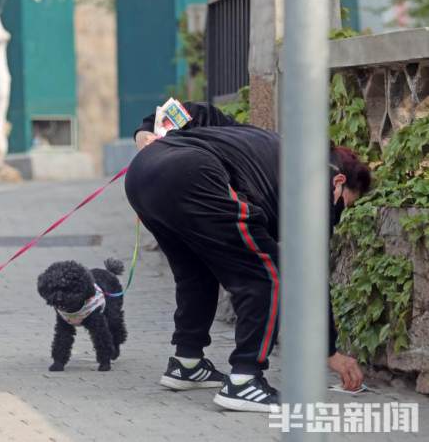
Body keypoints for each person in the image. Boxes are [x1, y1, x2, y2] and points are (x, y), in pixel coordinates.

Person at [124, 102, 370, 413]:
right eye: (343, 206)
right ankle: (244, 380)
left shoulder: (259, 140)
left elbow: (195, 111)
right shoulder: (315, 182)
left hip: (140, 176)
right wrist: (329, 351)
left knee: (196, 272)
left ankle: (187, 363)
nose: (336, 215)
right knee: (265, 275)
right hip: (194, 174)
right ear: (339, 182)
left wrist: (145, 131)